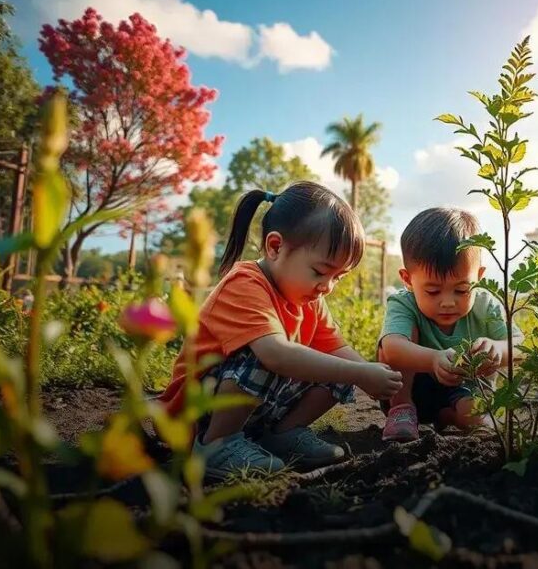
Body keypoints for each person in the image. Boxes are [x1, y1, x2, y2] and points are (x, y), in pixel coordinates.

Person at [158, 181, 403, 480]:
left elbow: (336, 348)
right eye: (320, 272)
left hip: (253, 408)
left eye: (338, 277)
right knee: (267, 352)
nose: (327, 286)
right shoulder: (244, 284)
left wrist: (370, 374)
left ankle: (281, 435)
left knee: (343, 368)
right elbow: (274, 354)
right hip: (198, 411)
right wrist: (359, 373)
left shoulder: (309, 297)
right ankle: (217, 446)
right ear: (276, 247)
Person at [378, 208, 522, 442]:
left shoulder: (486, 305)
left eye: (462, 290)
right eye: (433, 291)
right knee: (391, 343)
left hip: (466, 386)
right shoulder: (404, 303)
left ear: (479, 277)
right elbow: (393, 349)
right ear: (408, 280)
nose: (447, 302)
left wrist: (498, 349)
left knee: (477, 420)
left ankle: (446, 416)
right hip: (414, 386)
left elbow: (520, 345)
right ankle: (401, 409)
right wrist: (434, 359)